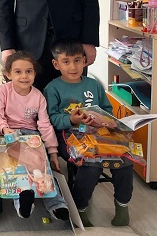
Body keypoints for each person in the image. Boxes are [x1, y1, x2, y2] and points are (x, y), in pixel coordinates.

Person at [44, 38, 133, 227]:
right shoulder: (52, 88)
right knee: (91, 164)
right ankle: (80, 208)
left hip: (99, 133)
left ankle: (122, 206)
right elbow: (52, 119)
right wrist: (71, 119)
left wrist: (107, 120)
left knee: (125, 159)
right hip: (69, 136)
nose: (73, 66)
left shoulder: (94, 85)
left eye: (77, 60)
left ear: (84, 61)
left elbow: (107, 109)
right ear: (56, 64)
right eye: (66, 61)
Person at [0, 51, 69, 221]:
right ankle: (22, 204)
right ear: (8, 74)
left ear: (35, 73)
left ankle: (57, 204)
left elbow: (44, 124)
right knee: (14, 171)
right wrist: (4, 129)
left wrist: (52, 152)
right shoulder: (3, 91)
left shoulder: (38, 96)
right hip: (7, 135)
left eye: (29, 71)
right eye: (18, 72)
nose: (24, 76)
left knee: (43, 169)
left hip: (31, 136)